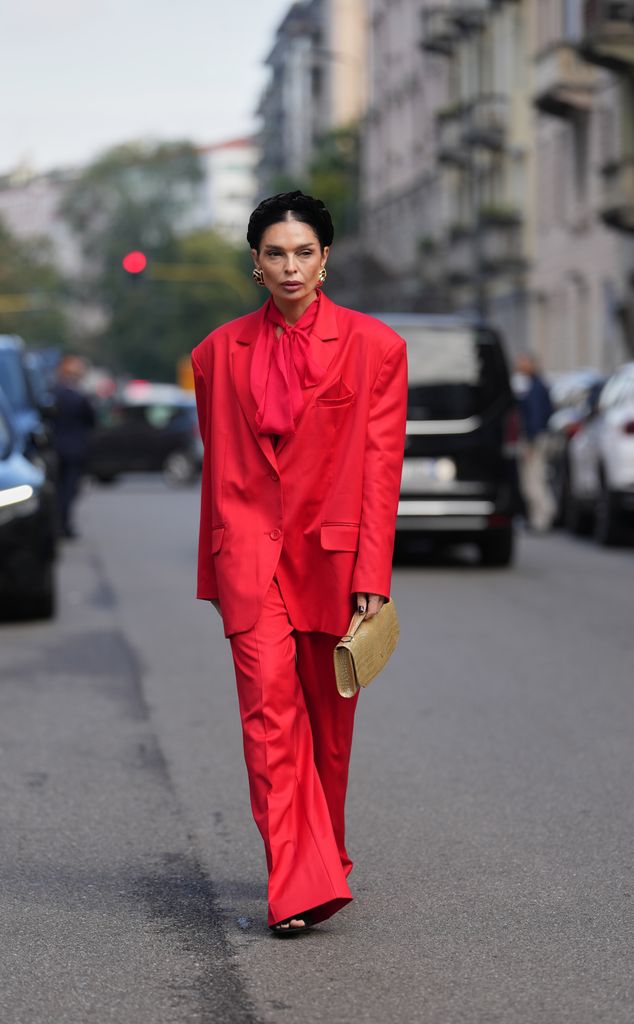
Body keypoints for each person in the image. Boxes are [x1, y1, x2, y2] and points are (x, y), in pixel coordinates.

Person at [191, 191, 407, 937]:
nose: (290, 266)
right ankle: (295, 884)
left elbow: (381, 467)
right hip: (249, 559)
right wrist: (214, 566)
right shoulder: (217, 354)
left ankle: (327, 857)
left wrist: (371, 576)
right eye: (275, 253)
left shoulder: (375, 347)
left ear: (325, 260)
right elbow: (219, 467)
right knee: (267, 715)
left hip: (334, 558)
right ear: (255, 263)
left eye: (303, 252)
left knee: (328, 729)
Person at [50, 355, 96, 539]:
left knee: (59, 488)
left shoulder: (53, 394)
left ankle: (58, 524)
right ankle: (64, 524)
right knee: (69, 489)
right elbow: (91, 420)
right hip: (75, 449)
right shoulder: (79, 397)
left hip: (56, 448)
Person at [514, 352, 555, 533]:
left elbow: (536, 416)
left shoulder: (536, 387)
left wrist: (530, 442)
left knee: (533, 481)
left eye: (522, 362)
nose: (519, 366)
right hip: (535, 438)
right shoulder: (533, 384)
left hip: (534, 440)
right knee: (533, 480)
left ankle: (542, 518)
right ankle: (538, 517)